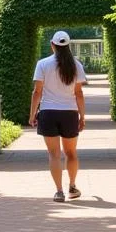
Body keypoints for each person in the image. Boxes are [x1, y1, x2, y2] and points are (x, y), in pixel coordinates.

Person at [28, 30, 87, 202]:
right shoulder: (76, 65)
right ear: (68, 46)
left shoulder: (42, 64)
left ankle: (59, 191)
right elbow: (79, 94)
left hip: (48, 112)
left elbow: (37, 91)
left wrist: (32, 114)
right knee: (71, 153)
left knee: (54, 154)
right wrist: (82, 117)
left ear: (52, 45)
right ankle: (73, 186)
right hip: (69, 113)